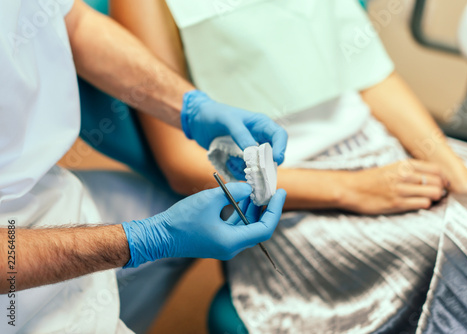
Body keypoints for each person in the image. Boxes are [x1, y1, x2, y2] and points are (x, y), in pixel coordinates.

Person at [110, 0, 467, 333]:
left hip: (382, 150)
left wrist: (457, 172)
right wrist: (355, 190)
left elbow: (370, 73)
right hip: (284, 194)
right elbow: (181, 165)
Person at [0, 1, 288, 333]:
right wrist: (144, 240)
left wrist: (190, 106)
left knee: (163, 210)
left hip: (41, 188)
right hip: (13, 278)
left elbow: (70, 20)